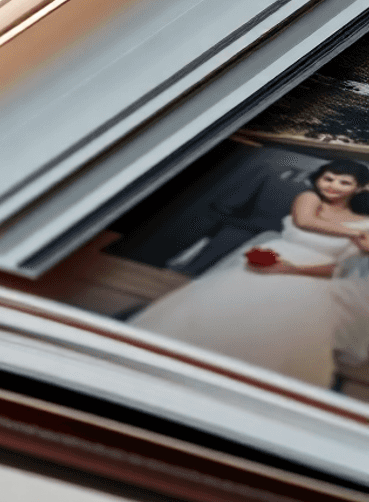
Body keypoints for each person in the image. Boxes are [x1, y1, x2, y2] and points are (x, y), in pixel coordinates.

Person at [131, 159, 369, 387]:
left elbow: (341, 269)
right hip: (270, 260)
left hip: (309, 277)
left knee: (278, 332)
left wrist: (290, 268)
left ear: (360, 188)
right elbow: (305, 221)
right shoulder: (308, 199)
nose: (333, 186)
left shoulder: (364, 224)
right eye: (328, 179)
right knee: (218, 312)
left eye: (344, 182)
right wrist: (353, 234)